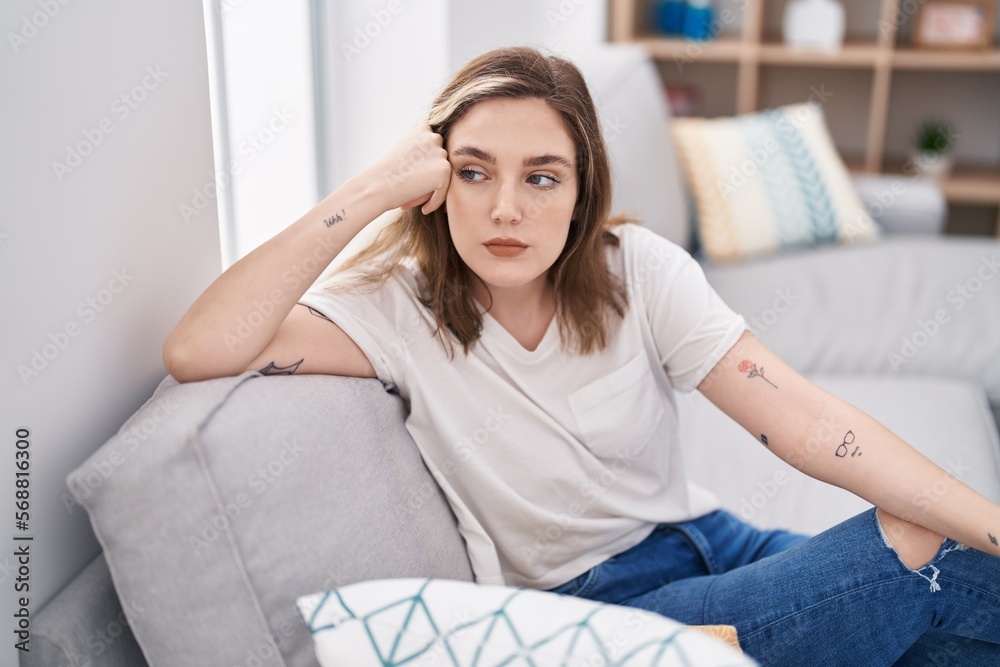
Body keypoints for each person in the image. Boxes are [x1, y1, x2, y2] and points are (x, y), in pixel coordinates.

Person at [163, 47, 1000, 665]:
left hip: (714, 540)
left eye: (541, 177)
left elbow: (806, 420)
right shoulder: (395, 309)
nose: (505, 209)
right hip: (606, 605)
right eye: (474, 171)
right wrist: (372, 185)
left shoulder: (638, 271)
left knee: (943, 597)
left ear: (580, 191)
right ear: (436, 182)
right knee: (914, 545)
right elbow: (200, 346)